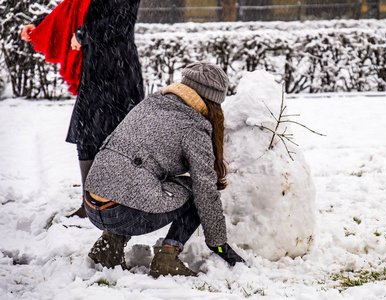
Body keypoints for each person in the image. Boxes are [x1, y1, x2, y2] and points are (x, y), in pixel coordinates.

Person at [83, 62, 245, 277]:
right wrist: (219, 245)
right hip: (124, 214)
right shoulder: (194, 126)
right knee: (198, 192)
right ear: (213, 101)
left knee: (129, 178)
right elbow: (206, 189)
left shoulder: (150, 103)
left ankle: (110, 245)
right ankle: (167, 256)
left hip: (91, 205)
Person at [21, 0, 144, 218]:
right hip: (94, 71)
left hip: (118, 72)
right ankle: (91, 204)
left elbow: (120, 21)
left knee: (117, 138)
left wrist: (83, 34)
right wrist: (39, 26)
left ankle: (118, 205)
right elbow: (73, 11)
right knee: (86, 134)